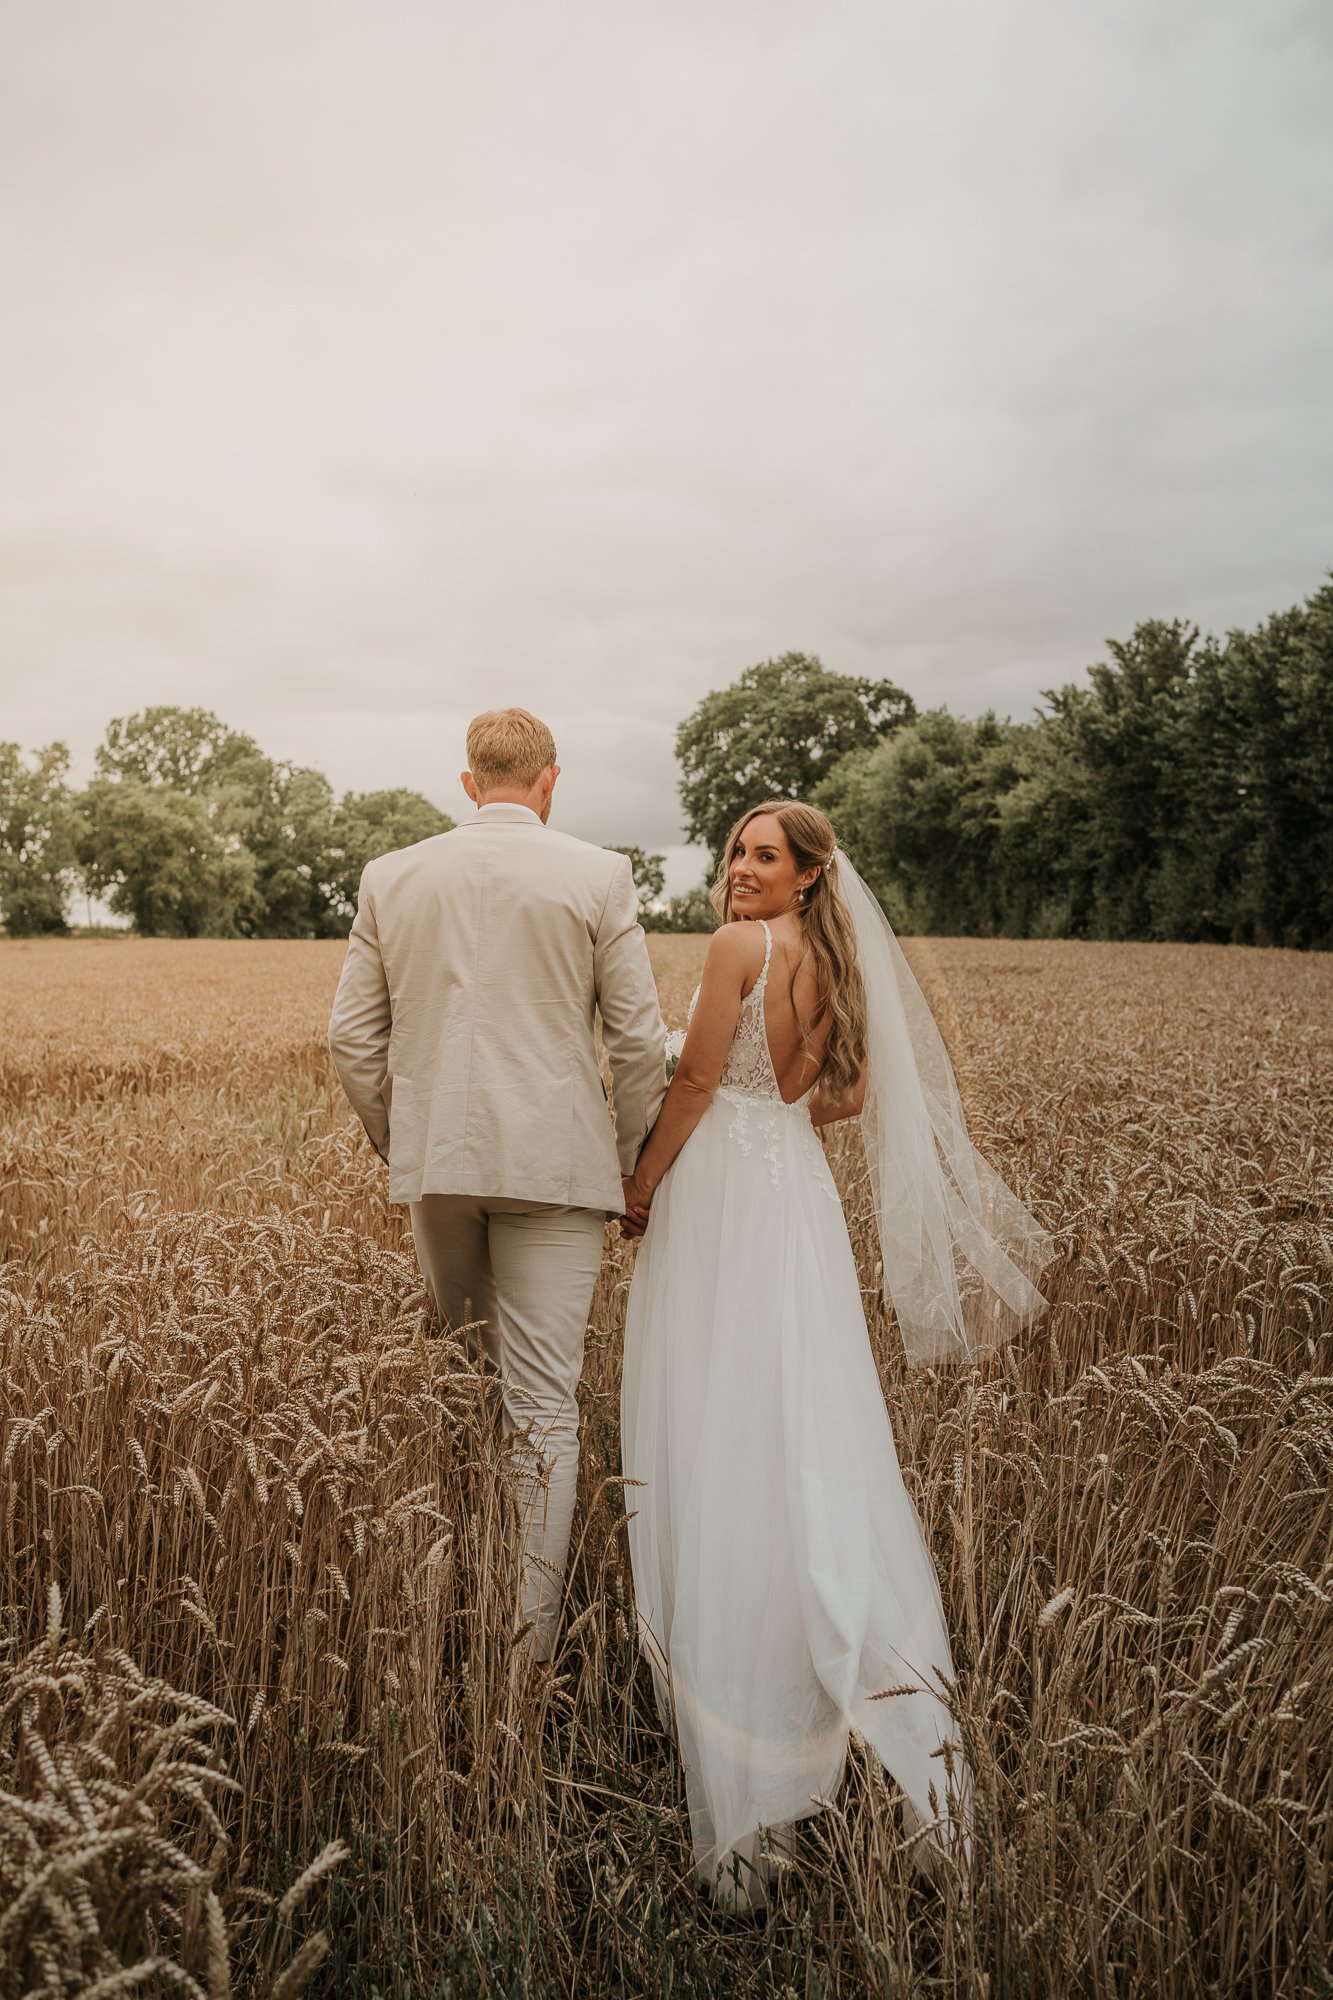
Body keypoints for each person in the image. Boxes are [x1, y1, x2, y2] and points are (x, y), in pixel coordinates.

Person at [618, 800, 1054, 1911]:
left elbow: (699, 1082)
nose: (740, 870)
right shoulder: (836, 958)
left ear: (810, 874)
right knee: (802, 1413)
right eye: (734, 854)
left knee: (715, 1407)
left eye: (765, 856)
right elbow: (846, 1095)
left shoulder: (739, 947)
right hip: (795, 1200)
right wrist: (780, 1120)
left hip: (720, 1193)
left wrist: (643, 1182)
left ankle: (746, 1732)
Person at [328, 707, 666, 1664]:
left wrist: (406, 1138)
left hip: (439, 1165)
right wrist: (631, 1164)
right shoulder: (596, 873)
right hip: (559, 1170)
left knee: (466, 1384)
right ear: (549, 779)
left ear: (468, 781)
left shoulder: (392, 876)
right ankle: (523, 1656)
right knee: (543, 1405)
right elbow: (638, 1042)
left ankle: (459, 1593)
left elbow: (352, 1042)